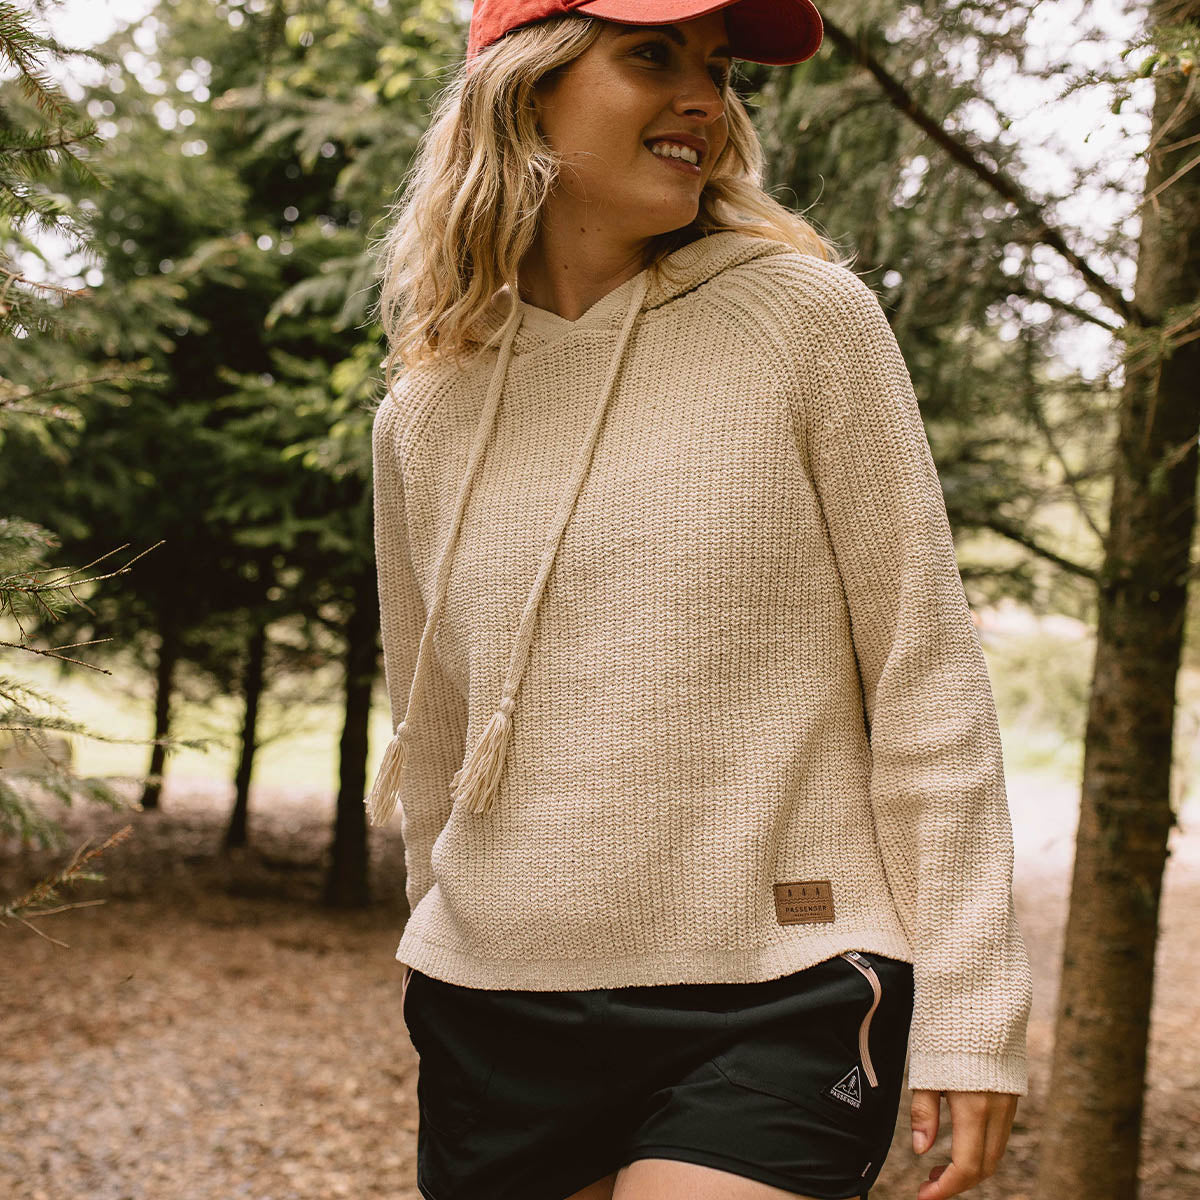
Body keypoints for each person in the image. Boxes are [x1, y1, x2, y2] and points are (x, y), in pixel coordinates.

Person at [365, 2, 1034, 1199]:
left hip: (782, 982)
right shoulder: (426, 409)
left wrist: (972, 1003)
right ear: (525, 86)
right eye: (652, 55)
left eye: (718, 69)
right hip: (498, 999)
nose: (703, 100)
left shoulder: (804, 322)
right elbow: (438, 732)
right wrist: (435, 928)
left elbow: (926, 676)